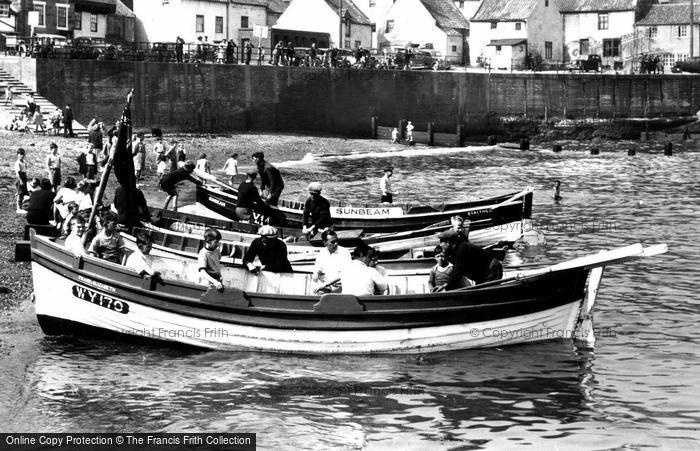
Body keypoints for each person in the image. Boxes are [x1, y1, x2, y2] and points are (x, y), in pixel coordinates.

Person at [438, 229, 502, 288]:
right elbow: (456, 270)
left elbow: (458, 271)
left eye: (441, 242)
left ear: (448, 242)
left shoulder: (461, 249)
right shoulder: (456, 250)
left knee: (485, 292)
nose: (440, 245)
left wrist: (447, 286)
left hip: (491, 270)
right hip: (482, 274)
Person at [14, 148, 28, 214]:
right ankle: (18, 208)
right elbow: (17, 174)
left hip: (24, 177)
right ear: (18, 155)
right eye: (20, 154)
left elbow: (25, 170)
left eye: (23, 154)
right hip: (20, 178)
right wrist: (21, 181)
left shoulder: (24, 162)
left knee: (23, 193)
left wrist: (25, 179)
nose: (22, 156)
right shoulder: (17, 163)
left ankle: (21, 206)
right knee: (20, 193)